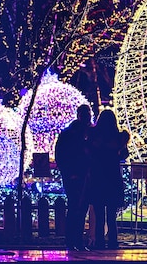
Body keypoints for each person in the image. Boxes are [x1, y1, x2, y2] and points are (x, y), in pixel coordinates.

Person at [87, 108, 130, 249]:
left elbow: (89, 152)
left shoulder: (94, 135)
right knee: (111, 215)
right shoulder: (117, 138)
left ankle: (99, 241)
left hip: (98, 177)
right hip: (112, 178)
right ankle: (112, 241)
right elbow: (124, 155)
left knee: (99, 214)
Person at [55, 104, 93, 251]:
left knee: (81, 208)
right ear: (79, 115)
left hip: (85, 175)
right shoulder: (70, 134)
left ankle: (77, 240)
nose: (87, 117)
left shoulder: (87, 132)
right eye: (85, 114)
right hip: (75, 176)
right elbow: (62, 155)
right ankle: (72, 240)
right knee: (75, 208)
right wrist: (69, 172)